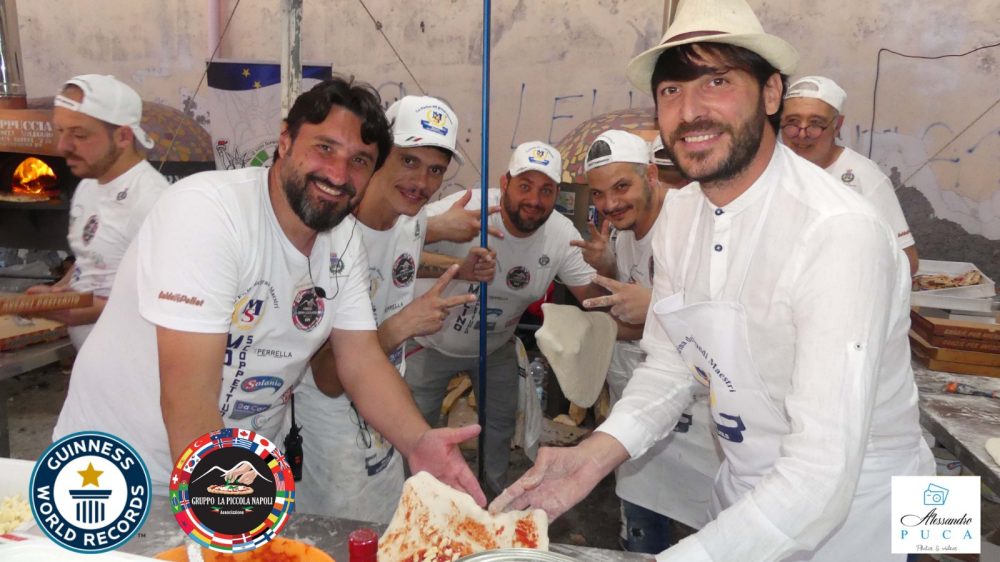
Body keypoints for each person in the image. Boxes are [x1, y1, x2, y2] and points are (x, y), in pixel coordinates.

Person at [490, 0, 933, 560]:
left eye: (717, 81)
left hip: (864, 514)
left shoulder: (839, 232)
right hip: (746, 500)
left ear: (771, 93)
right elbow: (671, 363)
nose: (690, 111)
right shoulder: (681, 215)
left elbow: (822, 473)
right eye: (671, 90)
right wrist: (595, 454)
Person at [53, 77, 486, 507]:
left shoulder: (342, 241)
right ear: (285, 141)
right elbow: (188, 393)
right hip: (124, 471)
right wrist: (221, 508)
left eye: (359, 160)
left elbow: (361, 360)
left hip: (239, 469)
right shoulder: (209, 213)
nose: (338, 174)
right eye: (325, 148)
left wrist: (419, 441)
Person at [283, 95, 496, 523]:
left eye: (435, 169)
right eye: (409, 161)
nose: (421, 181)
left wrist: (458, 269)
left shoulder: (410, 221)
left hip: (386, 418)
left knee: (389, 531)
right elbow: (327, 377)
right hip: (329, 433)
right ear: (379, 154)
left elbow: (393, 266)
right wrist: (401, 326)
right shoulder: (331, 235)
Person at [406, 141, 609, 496]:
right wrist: (448, 253)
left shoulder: (561, 234)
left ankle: (491, 500)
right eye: (525, 186)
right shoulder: (466, 209)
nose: (534, 199)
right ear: (505, 183)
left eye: (546, 190)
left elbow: (594, 302)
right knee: (414, 433)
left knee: (499, 428)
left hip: (496, 346)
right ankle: (415, 500)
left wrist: (607, 266)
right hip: (430, 342)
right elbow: (392, 254)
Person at [578, 129, 721, 553]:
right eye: (598, 193)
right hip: (643, 400)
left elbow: (729, 312)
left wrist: (656, 307)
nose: (609, 203)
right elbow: (628, 310)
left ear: (652, 176)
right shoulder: (622, 229)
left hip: (701, 416)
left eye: (621, 186)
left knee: (711, 532)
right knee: (642, 521)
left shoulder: (693, 220)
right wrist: (607, 267)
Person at [27, 74, 169, 349]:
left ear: (123, 136)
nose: (63, 146)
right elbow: (92, 258)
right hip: (91, 358)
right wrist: (59, 291)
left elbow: (169, 296)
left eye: (79, 135)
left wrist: (92, 311)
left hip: (133, 360)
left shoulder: (152, 200)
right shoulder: (88, 184)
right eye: (60, 131)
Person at [780, 75, 919, 275]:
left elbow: (907, 261)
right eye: (792, 122)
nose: (802, 134)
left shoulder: (863, 175)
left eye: (816, 123)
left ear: (837, 126)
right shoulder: (774, 171)